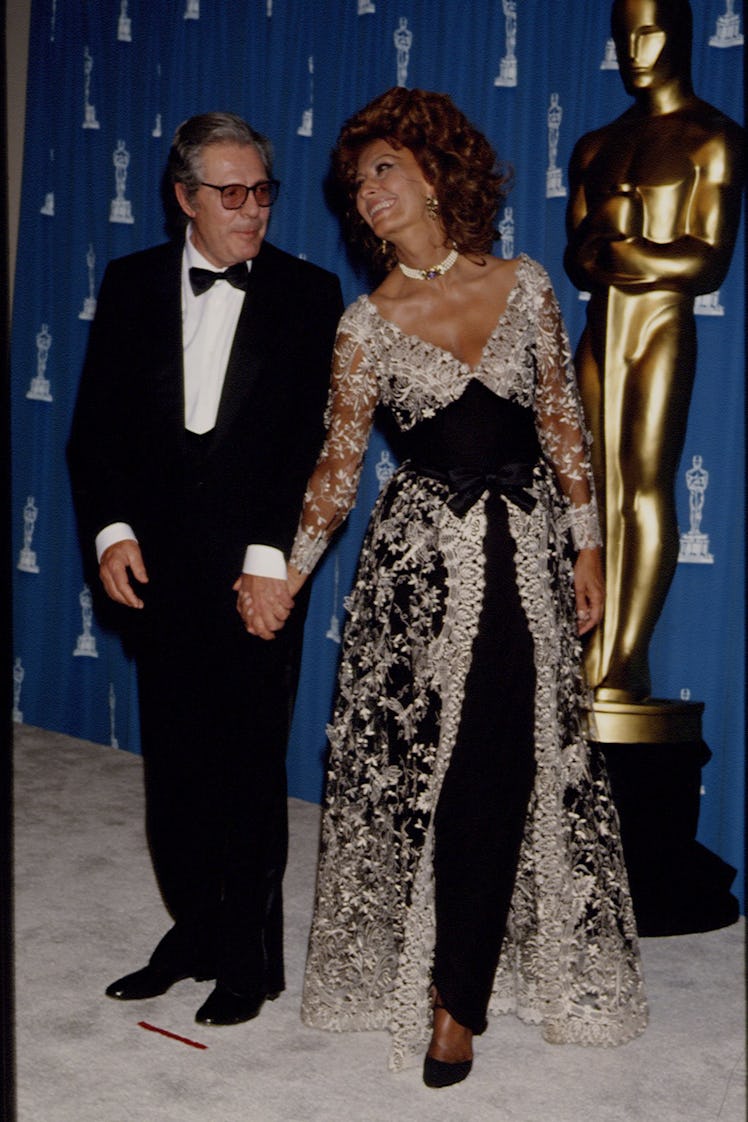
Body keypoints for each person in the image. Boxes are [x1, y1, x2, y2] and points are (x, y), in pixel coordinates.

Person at [239, 88, 647, 1086]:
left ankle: (464, 987)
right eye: (354, 183)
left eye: (383, 170)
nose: (366, 194)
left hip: (529, 559)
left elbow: (559, 422)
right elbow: (337, 469)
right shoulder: (364, 324)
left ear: (434, 170)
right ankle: (447, 1003)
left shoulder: (523, 283)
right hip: (420, 572)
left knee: (508, 767)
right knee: (447, 770)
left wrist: (589, 547)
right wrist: (286, 574)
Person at [68, 112, 343, 1026]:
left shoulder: (310, 294)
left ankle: (248, 959)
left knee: (248, 764)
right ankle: (192, 928)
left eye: (263, 189)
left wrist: (272, 562)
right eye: (230, 192)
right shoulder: (132, 282)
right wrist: (110, 532)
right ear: (183, 197)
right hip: (159, 573)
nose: (252, 207)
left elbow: (314, 446)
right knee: (176, 765)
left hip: (258, 569)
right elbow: (96, 432)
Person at [564, 0, 744, 702]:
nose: (635, 48)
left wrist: (626, 245)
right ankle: (591, 639)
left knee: (642, 486)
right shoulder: (594, 145)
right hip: (600, 327)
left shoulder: (714, 138)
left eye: (650, 31)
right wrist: (618, 244)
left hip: (660, 326)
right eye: (624, 35)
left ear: (681, 34)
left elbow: (707, 261)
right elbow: (580, 258)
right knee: (589, 493)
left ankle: (625, 656)